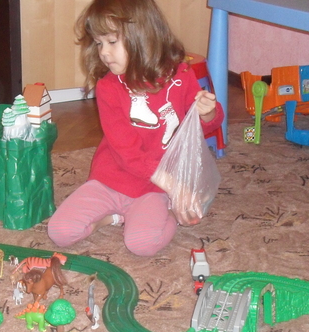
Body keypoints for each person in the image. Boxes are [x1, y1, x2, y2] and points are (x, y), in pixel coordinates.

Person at [47, 0, 224, 256]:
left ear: (144, 35)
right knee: (60, 231)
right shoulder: (108, 88)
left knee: (142, 244)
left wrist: (207, 112)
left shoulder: (180, 74)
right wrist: (176, 187)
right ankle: (116, 217)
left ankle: (162, 213)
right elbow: (128, 154)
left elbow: (203, 127)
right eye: (99, 43)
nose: (104, 52)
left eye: (112, 41)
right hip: (112, 179)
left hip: (155, 188)